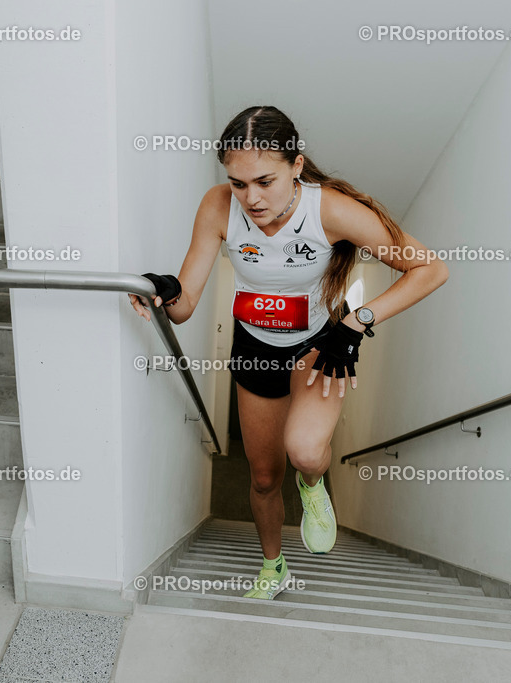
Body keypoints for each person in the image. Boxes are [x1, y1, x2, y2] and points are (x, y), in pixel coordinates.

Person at [131, 106, 448, 599]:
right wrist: (161, 287)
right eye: (238, 183)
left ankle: (314, 483)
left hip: (320, 346)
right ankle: (273, 565)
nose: (251, 198)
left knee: (303, 453)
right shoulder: (217, 206)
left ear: (296, 166)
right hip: (255, 349)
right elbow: (185, 306)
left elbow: (430, 269)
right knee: (261, 477)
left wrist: (357, 321)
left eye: (265, 180)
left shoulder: (331, 210)